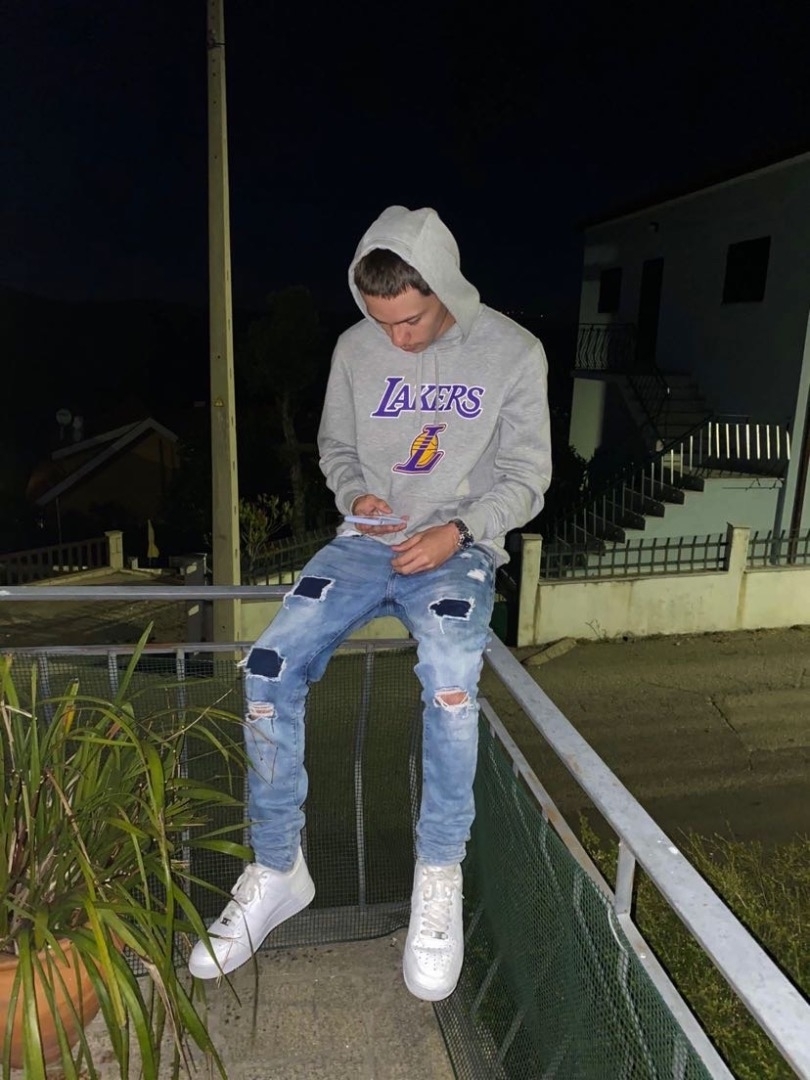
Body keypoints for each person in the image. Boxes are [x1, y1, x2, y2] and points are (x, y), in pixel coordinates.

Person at [189, 205, 552, 1001]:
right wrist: (358, 495)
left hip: (457, 547)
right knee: (267, 665)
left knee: (451, 680)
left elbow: (529, 477)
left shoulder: (514, 352)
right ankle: (278, 866)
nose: (397, 337)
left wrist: (459, 531)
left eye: (410, 320)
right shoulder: (356, 348)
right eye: (381, 320)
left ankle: (439, 872)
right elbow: (338, 449)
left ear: (445, 288)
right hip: (365, 542)